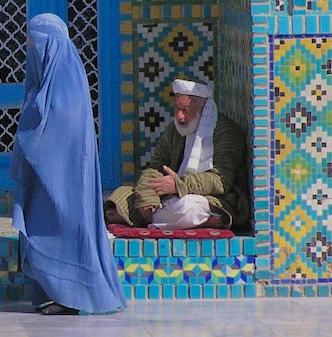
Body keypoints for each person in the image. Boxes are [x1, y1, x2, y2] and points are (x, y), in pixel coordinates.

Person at [10, 13, 127, 316]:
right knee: (40, 235)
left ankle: (70, 297)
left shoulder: (65, 91)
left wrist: (28, 128)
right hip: (44, 184)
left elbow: (47, 138)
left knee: (57, 233)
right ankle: (52, 295)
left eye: (35, 44)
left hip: (64, 185)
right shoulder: (49, 84)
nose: (31, 50)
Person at [104, 78, 251, 230]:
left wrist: (178, 184)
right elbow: (156, 166)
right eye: (177, 109)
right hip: (171, 196)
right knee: (120, 198)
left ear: (203, 108)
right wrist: (147, 198)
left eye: (185, 110)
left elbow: (220, 182)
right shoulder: (174, 130)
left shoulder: (227, 132)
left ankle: (170, 219)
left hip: (215, 200)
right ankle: (167, 218)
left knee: (188, 207)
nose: (180, 116)